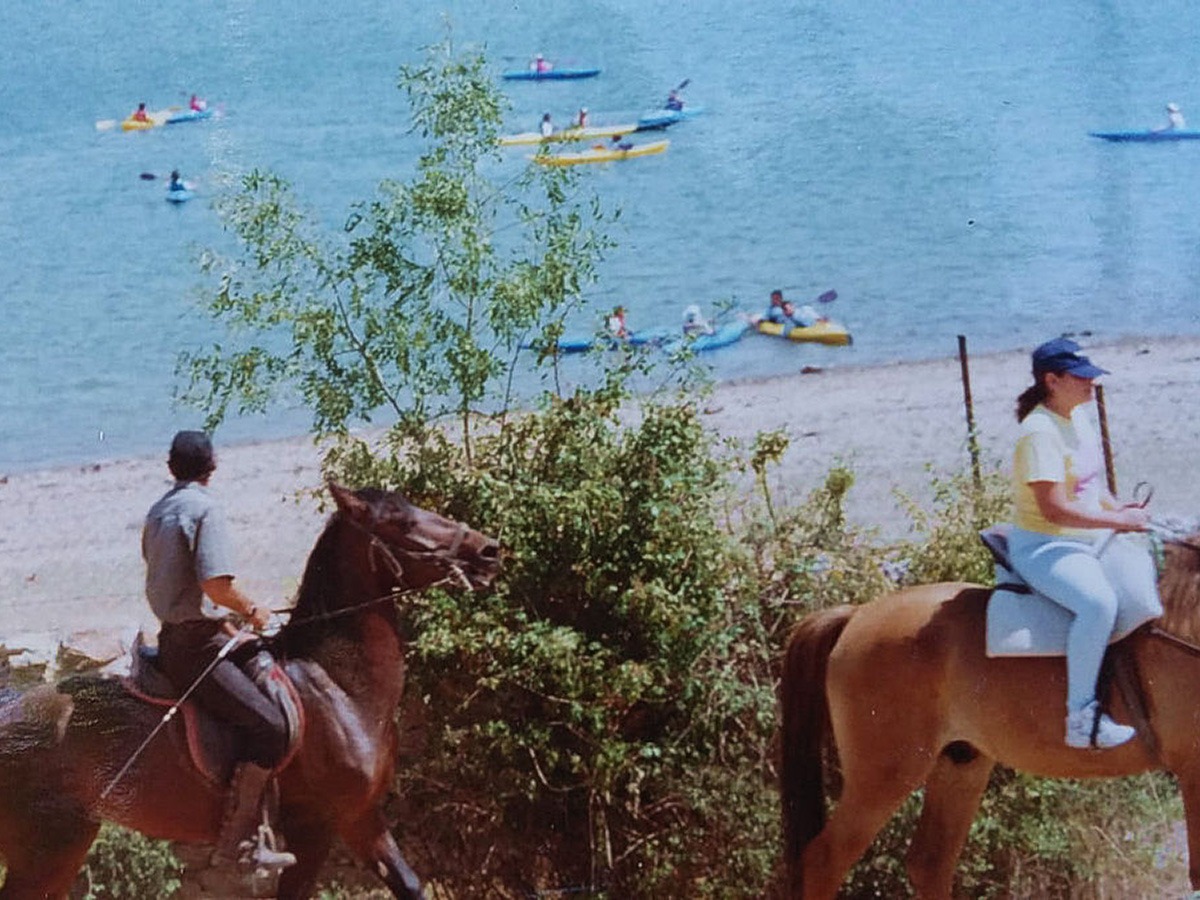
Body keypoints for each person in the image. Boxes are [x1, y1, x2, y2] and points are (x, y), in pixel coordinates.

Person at [142, 431, 296, 872]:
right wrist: (253, 610)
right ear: (212, 467)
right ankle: (239, 843)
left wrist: (232, 622)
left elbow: (174, 582)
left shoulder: (158, 511)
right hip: (197, 647)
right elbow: (215, 585)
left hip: (178, 634)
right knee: (270, 726)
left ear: (172, 467)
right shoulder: (207, 510)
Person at [1006, 338, 1161, 750]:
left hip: (1089, 531)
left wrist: (1118, 506)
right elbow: (1054, 508)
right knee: (1098, 604)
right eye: (1082, 377)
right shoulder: (1038, 433)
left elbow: (1091, 484)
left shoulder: (1077, 416)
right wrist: (1117, 520)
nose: (1092, 384)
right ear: (1052, 380)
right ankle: (1082, 719)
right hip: (1047, 545)